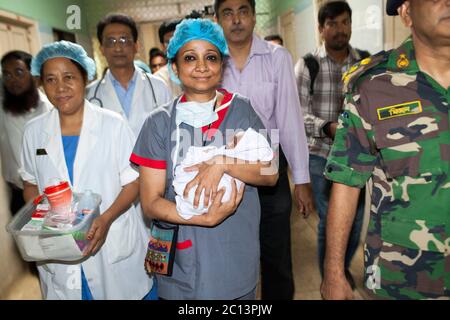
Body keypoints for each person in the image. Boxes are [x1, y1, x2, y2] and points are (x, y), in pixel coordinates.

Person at [131, 18, 279, 299]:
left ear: (221, 66)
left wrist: (222, 162)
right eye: (190, 58)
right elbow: (150, 203)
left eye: (211, 57)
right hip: (181, 264)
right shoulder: (158, 122)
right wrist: (204, 219)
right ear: (174, 67)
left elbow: (271, 174)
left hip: (234, 257)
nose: (201, 66)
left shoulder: (244, 110)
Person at [321, 0, 450, 300]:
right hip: (404, 278)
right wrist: (334, 271)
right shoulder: (374, 86)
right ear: (406, 13)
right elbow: (346, 182)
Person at [20, 41, 152, 300]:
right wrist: (45, 222)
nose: (60, 87)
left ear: (85, 77)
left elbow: (134, 182)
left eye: (69, 76)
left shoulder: (112, 125)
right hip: (59, 250)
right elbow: (30, 183)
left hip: (111, 242)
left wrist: (106, 218)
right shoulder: (34, 131)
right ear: (42, 85)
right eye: (51, 79)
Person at [214, 0, 314, 300]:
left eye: (243, 11)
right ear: (218, 19)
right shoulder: (212, 60)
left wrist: (302, 179)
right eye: (227, 13)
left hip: (269, 161)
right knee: (232, 253)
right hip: (225, 167)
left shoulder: (277, 57)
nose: (236, 20)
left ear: (254, 16)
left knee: (276, 254)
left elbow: (290, 120)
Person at [294, 1, 369, 281]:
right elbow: (297, 115)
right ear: (321, 29)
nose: (340, 30)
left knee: (356, 220)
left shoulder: (365, 63)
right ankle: (332, 276)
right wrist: (328, 127)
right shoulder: (308, 65)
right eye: (333, 24)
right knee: (331, 221)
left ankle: (341, 268)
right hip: (320, 155)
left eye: (345, 22)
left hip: (356, 158)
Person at [86, 13, 171, 137]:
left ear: (136, 46)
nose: (118, 48)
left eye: (124, 40)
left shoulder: (158, 87)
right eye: (111, 41)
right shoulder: (90, 95)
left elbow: (169, 134)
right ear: (102, 49)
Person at [0, 51, 52, 215]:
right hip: (17, 195)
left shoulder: (49, 109)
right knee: (23, 240)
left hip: (48, 193)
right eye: (6, 75)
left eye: (19, 72)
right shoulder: (3, 110)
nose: (12, 80)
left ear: (33, 74)